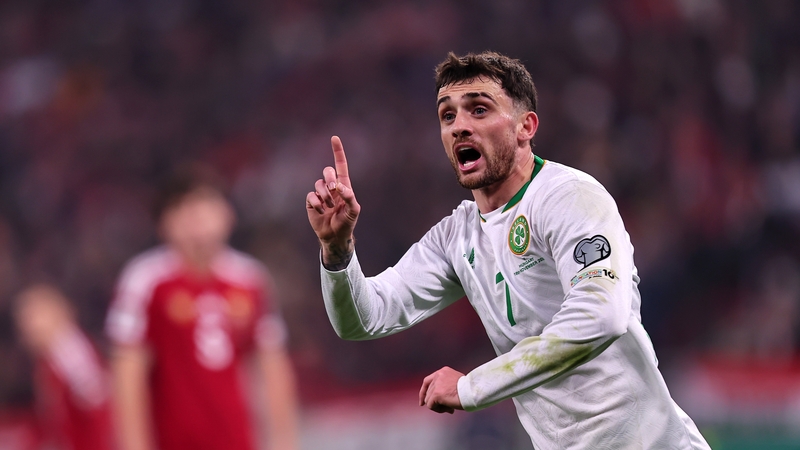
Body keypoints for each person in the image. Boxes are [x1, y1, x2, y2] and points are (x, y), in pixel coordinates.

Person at [305, 51, 711, 449]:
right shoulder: (457, 236)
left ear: (525, 126)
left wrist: (471, 387)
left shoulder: (568, 197)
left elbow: (602, 314)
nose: (459, 126)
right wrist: (337, 250)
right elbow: (364, 318)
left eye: (478, 110)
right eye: (448, 116)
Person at [106, 166, 299, 450]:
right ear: (164, 224)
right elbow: (127, 371)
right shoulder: (145, 280)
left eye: (206, 204)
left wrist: (284, 443)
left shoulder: (250, 280)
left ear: (228, 215)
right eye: (182, 208)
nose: (196, 217)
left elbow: (272, 368)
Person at [14, 283, 115, 450]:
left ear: (57, 312)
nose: (27, 326)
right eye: (23, 320)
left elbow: (101, 410)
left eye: (32, 316)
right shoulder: (51, 357)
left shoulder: (70, 351)